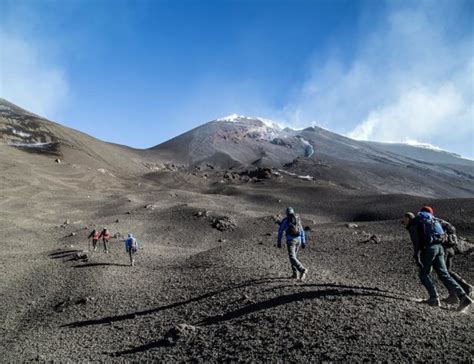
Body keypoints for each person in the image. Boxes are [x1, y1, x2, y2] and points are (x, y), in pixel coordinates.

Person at [403, 207, 472, 312]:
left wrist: (417, 257)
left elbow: (416, 243)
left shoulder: (414, 224)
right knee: (444, 274)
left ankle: (434, 298)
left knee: (423, 274)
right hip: (440, 247)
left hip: (430, 249)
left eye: (404, 219)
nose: (403, 222)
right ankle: (463, 297)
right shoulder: (431, 220)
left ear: (408, 218)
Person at [421, 207, 472, 304]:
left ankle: (460, 292)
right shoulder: (442, 222)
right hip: (450, 248)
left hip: (443, 249)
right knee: (446, 272)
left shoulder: (430, 222)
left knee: (444, 273)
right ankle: (460, 291)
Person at [277, 207, 308, 281]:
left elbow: (280, 231)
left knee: (292, 257)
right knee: (294, 257)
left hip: (291, 241)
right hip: (299, 240)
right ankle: (295, 274)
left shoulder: (285, 220)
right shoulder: (297, 220)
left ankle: (302, 269)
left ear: (287, 213)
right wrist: (303, 241)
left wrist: (279, 241)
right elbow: (302, 231)